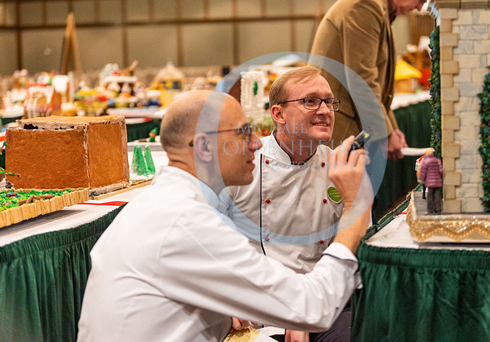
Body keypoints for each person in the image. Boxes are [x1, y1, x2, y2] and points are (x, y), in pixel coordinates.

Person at [77, 90, 372, 341]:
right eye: (243, 133)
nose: (257, 143)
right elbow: (312, 307)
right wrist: (356, 207)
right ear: (204, 147)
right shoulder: (185, 221)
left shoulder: (165, 202)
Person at [224, 67, 369, 341]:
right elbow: (207, 242)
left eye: (329, 101)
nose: (325, 110)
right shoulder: (244, 164)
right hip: (255, 306)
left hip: (325, 300)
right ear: (278, 114)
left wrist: (307, 310)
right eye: (310, 101)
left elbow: (356, 250)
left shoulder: (339, 166)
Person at [309, 0, 443, 160]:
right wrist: (385, 133)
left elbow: (377, 84)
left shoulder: (378, 5)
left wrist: (393, 129)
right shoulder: (366, 5)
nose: (419, 8)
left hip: (345, 125)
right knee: (340, 193)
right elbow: (361, 78)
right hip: (337, 128)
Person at [418, 148, 442, 214]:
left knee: (430, 196)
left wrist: (421, 179)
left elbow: (423, 172)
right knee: (437, 195)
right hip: (437, 181)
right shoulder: (437, 161)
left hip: (430, 182)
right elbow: (441, 171)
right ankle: (438, 209)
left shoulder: (426, 161)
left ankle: (430, 210)